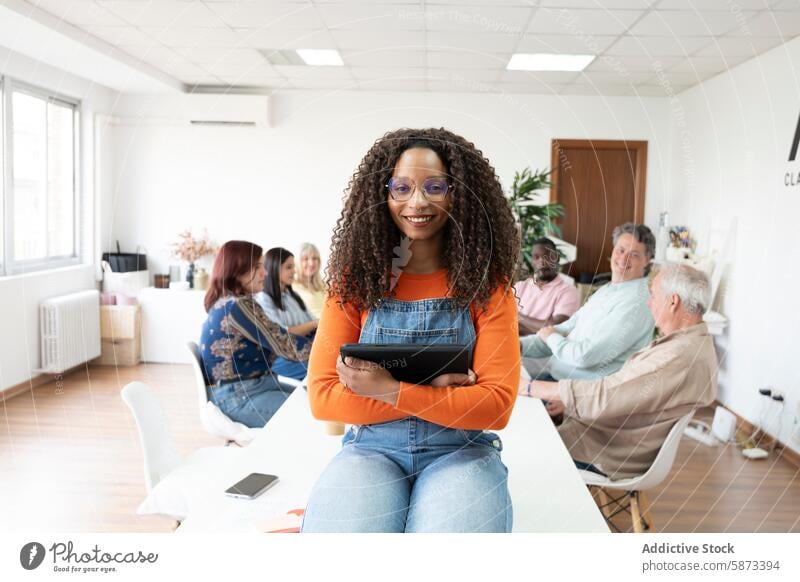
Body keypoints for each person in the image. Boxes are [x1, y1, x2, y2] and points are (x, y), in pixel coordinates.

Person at [301, 128, 521, 533]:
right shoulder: (354, 283)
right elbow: (323, 398)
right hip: (372, 449)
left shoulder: (488, 287)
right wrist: (439, 392)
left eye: (434, 187)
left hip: (461, 452)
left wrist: (387, 389)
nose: (417, 202)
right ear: (381, 195)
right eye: (401, 187)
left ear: (457, 195)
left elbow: (496, 407)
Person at [520, 264, 718, 479]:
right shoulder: (692, 343)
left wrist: (530, 387)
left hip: (608, 452)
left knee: (520, 445)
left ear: (673, 302)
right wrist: (569, 404)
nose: (649, 303)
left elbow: (607, 394)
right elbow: (624, 392)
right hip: (608, 435)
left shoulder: (678, 356)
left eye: (653, 296)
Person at [520, 223, 656, 387]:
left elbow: (585, 356)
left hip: (577, 395)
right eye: (621, 250)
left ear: (647, 261)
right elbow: (563, 330)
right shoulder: (607, 290)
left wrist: (550, 337)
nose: (624, 258)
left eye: (634, 254)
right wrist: (519, 345)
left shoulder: (636, 303)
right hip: (556, 378)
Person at [200, 241, 312, 428]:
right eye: (257, 267)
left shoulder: (227, 302)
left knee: (312, 400)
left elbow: (278, 339)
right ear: (238, 270)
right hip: (239, 396)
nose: (265, 273)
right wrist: (336, 353)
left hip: (250, 388)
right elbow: (284, 344)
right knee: (313, 413)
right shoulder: (238, 306)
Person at [515, 237, 580, 336]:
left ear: (556, 258)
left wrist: (517, 316)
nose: (542, 262)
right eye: (536, 257)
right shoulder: (520, 287)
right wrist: (540, 327)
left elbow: (556, 329)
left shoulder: (568, 291)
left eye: (547, 257)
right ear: (532, 261)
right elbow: (504, 318)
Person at [293, 242, 327, 318]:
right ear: (297, 262)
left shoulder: (325, 285)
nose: (311, 263)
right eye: (306, 259)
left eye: (314, 258)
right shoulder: (291, 287)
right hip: (313, 327)